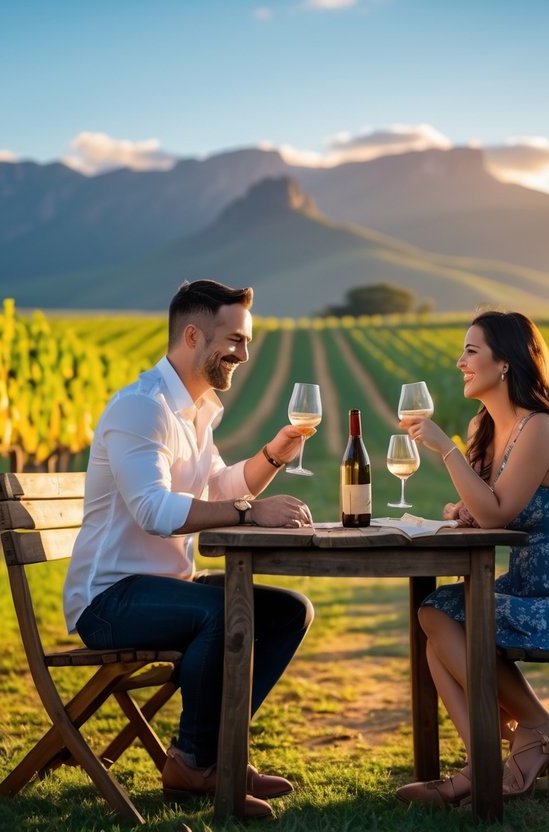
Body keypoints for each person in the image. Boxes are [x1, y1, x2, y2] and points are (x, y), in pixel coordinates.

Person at [63, 279, 315, 819]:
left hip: (166, 588)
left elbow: (218, 487)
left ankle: (219, 754)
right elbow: (155, 510)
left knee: (287, 611)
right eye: (235, 341)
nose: (244, 355)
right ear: (193, 335)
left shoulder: (196, 411)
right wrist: (252, 512)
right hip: (109, 601)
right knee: (227, 613)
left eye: (247, 342)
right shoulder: (142, 408)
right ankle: (195, 762)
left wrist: (272, 454)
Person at [395, 310, 549, 806]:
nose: (460, 362)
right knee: (437, 623)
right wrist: (463, 510)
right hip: (526, 585)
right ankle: (489, 762)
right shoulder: (489, 427)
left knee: (439, 614)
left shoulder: (539, 428)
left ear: (506, 363)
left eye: (471, 351)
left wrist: (445, 450)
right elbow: (490, 508)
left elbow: (497, 513)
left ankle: (532, 730)